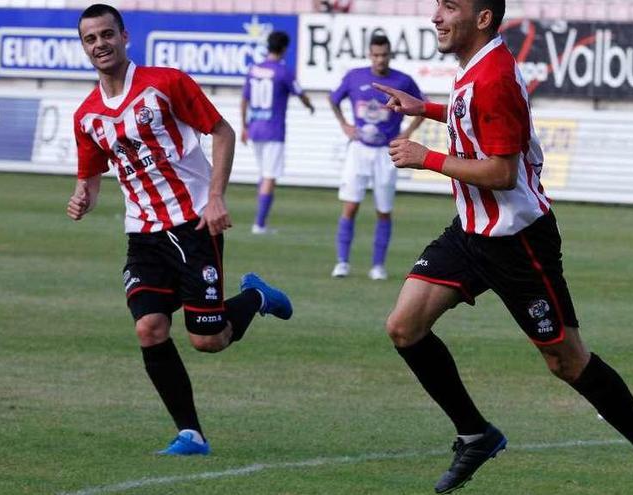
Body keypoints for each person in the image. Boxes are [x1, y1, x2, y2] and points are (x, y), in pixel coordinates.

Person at [374, 0, 633, 493]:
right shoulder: (475, 67)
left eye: (449, 6)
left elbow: (500, 172)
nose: (436, 16)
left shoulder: (494, 75)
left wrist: (425, 157)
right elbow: (470, 117)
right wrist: (426, 109)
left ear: (482, 19)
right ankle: (476, 434)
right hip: (472, 232)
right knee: (404, 327)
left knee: (567, 361)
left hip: (518, 243)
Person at [68, 4, 293, 456]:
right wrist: (82, 199)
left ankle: (255, 297)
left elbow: (222, 131)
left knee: (208, 340)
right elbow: (89, 178)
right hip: (143, 234)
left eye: (107, 34)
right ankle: (191, 434)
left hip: (193, 224)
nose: (100, 44)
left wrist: (215, 197)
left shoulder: (166, 83)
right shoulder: (87, 116)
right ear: (84, 47)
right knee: (150, 328)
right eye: (91, 39)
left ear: (124, 36)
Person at [328, 34, 425, 281]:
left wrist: (408, 131)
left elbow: (422, 107)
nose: (380, 59)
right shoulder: (355, 76)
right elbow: (334, 99)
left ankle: (378, 266)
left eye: (384, 55)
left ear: (390, 55)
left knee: (384, 210)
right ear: (370, 55)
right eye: (376, 55)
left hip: (386, 152)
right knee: (350, 206)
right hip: (358, 150)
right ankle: (342, 262)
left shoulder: (402, 80)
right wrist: (344, 125)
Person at [241, 31, 314, 235]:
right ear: (284, 49)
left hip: (255, 127)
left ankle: (260, 221)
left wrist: (244, 126)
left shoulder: (254, 69)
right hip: (273, 130)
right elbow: (300, 93)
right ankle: (260, 224)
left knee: (264, 174)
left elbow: (244, 98)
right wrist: (310, 106)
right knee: (270, 176)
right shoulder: (283, 72)